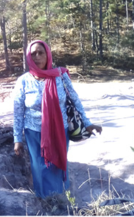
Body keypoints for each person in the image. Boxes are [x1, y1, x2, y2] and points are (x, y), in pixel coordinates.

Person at [13, 40, 102, 198]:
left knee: (58, 163)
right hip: (34, 132)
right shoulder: (23, 81)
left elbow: (75, 99)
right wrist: (17, 138)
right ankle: (44, 200)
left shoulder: (60, 76)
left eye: (41, 52)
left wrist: (87, 123)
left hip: (60, 131)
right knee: (40, 167)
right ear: (28, 57)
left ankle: (61, 198)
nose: (37, 56)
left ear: (48, 54)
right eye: (33, 53)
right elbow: (18, 111)